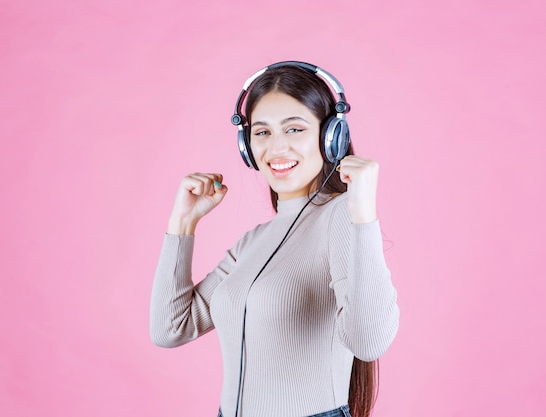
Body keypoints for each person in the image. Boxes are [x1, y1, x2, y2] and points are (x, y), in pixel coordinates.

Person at [150, 61, 399, 417]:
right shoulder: (254, 241)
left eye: (294, 129)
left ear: (331, 137)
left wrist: (362, 216)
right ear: (246, 145)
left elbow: (369, 341)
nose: (276, 148)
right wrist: (182, 223)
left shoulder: (344, 219)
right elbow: (170, 328)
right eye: (262, 133)